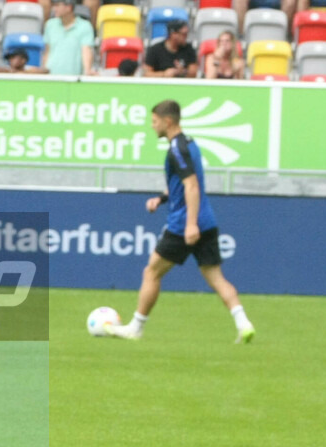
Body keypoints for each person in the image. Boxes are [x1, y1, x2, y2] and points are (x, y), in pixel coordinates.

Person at [106, 100, 255, 344]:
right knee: (216, 277)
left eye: (154, 121)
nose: (152, 127)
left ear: (167, 121)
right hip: (206, 220)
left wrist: (190, 224)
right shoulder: (189, 144)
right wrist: (162, 198)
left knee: (151, 272)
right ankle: (244, 323)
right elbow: (183, 184)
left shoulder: (177, 149)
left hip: (184, 223)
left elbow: (192, 186)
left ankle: (136, 327)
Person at [42, 0, 96, 76]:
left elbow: (86, 50)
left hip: (74, 78)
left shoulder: (85, 26)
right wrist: (45, 71)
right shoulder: (50, 25)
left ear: (69, 7)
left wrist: (87, 70)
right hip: (51, 77)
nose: (54, 9)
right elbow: (47, 51)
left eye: (57, 5)